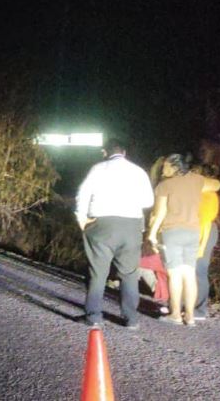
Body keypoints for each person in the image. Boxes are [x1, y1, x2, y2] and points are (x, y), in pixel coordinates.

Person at [75, 138, 155, 329]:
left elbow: (83, 194)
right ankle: (131, 318)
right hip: (132, 226)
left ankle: (93, 315)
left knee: (98, 271)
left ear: (105, 152)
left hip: (103, 224)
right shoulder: (138, 171)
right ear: (124, 152)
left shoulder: (98, 169)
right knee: (129, 273)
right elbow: (148, 201)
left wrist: (82, 219)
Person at [147, 154, 220, 326]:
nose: (163, 169)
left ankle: (175, 315)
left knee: (174, 274)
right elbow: (217, 184)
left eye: (165, 166)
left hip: (172, 232)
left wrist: (151, 234)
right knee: (189, 274)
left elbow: (160, 213)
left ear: (174, 167)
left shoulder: (164, 185)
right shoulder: (197, 181)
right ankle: (190, 316)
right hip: (193, 232)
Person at [192, 163, 220, 321]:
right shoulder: (199, 193)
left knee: (199, 270)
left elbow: (205, 222)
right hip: (197, 230)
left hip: (204, 233)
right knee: (191, 270)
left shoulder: (208, 195)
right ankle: (189, 305)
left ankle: (200, 309)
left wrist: (202, 245)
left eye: (195, 173)